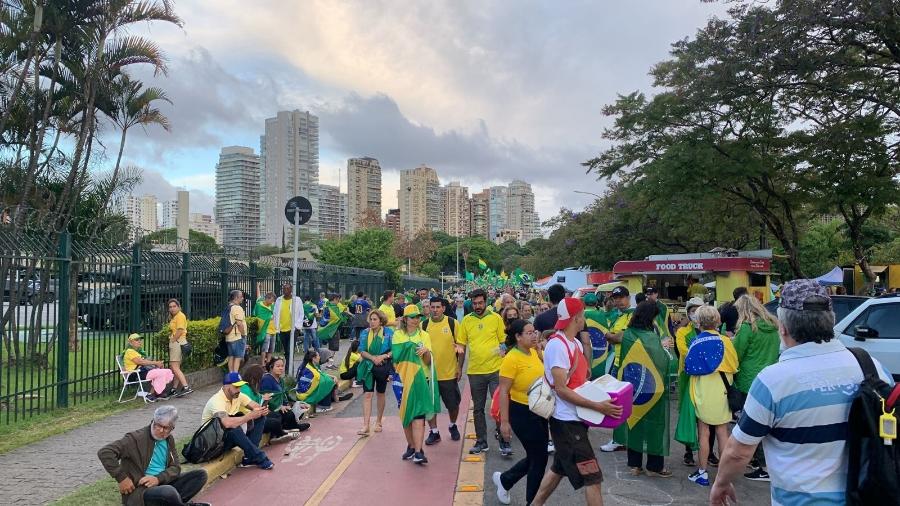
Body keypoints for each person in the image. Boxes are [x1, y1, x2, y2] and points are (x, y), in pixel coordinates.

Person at [710, 279, 895, 506]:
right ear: (831, 320)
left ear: (783, 327)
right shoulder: (872, 368)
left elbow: (739, 452)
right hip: (869, 496)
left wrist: (721, 483)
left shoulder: (773, 382)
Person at [531, 298, 623, 506]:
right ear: (576, 318)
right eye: (582, 315)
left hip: (574, 419)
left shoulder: (574, 344)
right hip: (566, 422)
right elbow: (562, 390)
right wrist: (598, 406)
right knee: (593, 478)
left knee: (559, 468)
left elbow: (577, 383)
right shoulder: (558, 346)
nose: (584, 319)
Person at [98, 406, 208, 506]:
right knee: (168, 492)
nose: (160, 430)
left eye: (165, 428)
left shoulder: (169, 440)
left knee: (200, 475)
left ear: (172, 428)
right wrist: (122, 478)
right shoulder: (135, 438)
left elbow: (176, 468)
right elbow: (105, 452)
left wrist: (158, 479)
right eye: (157, 425)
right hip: (140, 490)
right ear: (153, 421)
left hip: (162, 482)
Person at [613, 301, 673, 478]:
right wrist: (665, 348)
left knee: (634, 424)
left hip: (632, 388)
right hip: (653, 388)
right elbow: (663, 362)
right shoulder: (653, 338)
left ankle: (635, 465)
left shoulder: (629, 334)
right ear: (651, 317)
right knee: (656, 426)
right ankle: (655, 466)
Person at [493, 319, 547, 505]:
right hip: (521, 413)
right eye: (529, 332)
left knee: (536, 457)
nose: (534, 335)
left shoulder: (533, 352)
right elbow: (503, 393)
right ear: (517, 337)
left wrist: (540, 352)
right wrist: (505, 423)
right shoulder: (511, 359)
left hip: (540, 411)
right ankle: (532, 501)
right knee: (539, 460)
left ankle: (505, 480)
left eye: (535, 332)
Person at [683, 305, 738, 487]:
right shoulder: (727, 341)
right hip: (723, 390)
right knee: (723, 432)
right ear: (718, 321)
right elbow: (735, 365)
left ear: (697, 322)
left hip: (703, 391)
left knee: (704, 433)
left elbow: (688, 368)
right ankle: (723, 475)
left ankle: (702, 472)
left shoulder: (696, 342)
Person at [729, 294, 781, 481]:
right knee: (769, 424)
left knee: (752, 423)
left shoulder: (746, 328)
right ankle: (769, 463)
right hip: (771, 378)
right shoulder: (774, 326)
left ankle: (762, 466)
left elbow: (736, 355)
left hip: (748, 380)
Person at [458, 289, 511, 456]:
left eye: (480, 303)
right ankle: (481, 442)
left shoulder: (495, 318)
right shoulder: (466, 321)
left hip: (496, 370)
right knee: (478, 408)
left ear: (486, 302)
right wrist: (459, 367)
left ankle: (504, 441)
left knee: (498, 407)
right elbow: (461, 346)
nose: (478, 306)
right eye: (474, 303)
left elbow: (504, 341)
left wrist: (502, 352)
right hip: (475, 371)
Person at [393, 304, 441, 464]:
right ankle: (411, 446)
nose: (416, 319)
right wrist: (413, 347)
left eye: (418, 316)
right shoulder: (397, 335)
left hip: (422, 379)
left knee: (419, 414)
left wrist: (426, 352)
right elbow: (397, 356)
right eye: (412, 316)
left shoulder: (425, 335)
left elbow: (428, 362)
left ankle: (419, 451)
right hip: (403, 381)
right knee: (406, 414)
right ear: (405, 319)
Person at [201, 372, 274, 470]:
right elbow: (226, 423)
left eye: (240, 387)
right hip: (211, 444)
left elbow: (256, 407)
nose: (239, 390)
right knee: (233, 429)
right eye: (236, 387)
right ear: (226, 386)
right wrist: (248, 416)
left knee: (260, 418)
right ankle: (260, 458)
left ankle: (250, 457)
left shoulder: (238, 396)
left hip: (223, 437)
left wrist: (262, 410)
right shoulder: (217, 401)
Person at [422, 296, 463, 444]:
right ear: (428, 308)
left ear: (443, 308)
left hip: (449, 373)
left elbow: (460, 346)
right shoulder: (424, 325)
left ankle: (452, 425)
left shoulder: (452, 323)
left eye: (438, 307)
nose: (435, 310)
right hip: (429, 374)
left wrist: (459, 367)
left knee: (453, 405)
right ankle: (434, 432)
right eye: (432, 307)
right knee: (430, 406)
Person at [599, 286, 633, 453]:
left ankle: (621, 439)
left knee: (621, 403)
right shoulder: (618, 316)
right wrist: (612, 337)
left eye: (621, 297)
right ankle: (620, 438)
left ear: (628, 298)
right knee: (618, 402)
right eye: (615, 298)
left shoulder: (632, 315)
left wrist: (611, 336)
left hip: (628, 364)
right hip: (618, 363)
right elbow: (613, 337)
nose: (618, 301)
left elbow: (620, 337)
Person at [674, 297, 705, 467]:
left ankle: (707, 452)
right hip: (687, 375)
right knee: (688, 414)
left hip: (707, 377)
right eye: (693, 310)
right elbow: (684, 352)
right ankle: (688, 451)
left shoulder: (711, 331)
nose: (695, 314)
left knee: (706, 416)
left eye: (699, 310)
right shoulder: (682, 332)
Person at [357, 309, 394, 435]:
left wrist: (383, 357)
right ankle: (365, 425)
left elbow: (394, 350)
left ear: (381, 321)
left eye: (375, 319)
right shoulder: (364, 333)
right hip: (368, 366)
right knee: (367, 395)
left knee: (380, 393)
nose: (372, 322)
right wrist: (373, 358)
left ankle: (378, 421)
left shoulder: (389, 333)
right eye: (371, 319)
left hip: (382, 367)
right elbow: (361, 350)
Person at [238, 364, 298, 441]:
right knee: (274, 422)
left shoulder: (252, 387)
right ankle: (279, 434)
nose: (261, 381)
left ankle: (278, 433)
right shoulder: (245, 388)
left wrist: (265, 400)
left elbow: (260, 403)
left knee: (277, 416)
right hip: (249, 418)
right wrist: (264, 401)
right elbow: (253, 406)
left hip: (256, 415)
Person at [260, 356, 311, 434]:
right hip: (271, 410)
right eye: (278, 366)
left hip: (283, 407)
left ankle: (291, 425)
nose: (281, 368)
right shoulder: (266, 380)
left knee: (296, 410)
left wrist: (296, 403)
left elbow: (286, 394)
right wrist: (279, 407)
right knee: (287, 414)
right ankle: (290, 427)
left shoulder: (280, 380)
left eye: (282, 366)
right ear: (271, 367)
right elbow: (266, 399)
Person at [296, 349, 352, 414]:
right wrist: (332, 380)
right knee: (328, 382)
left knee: (328, 380)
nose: (320, 357)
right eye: (318, 356)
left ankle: (334, 398)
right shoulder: (311, 370)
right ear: (313, 358)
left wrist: (333, 376)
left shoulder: (308, 365)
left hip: (301, 393)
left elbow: (320, 373)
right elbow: (322, 378)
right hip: (306, 397)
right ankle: (323, 406)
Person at [122, 334, 174, 402]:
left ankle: (156, 393)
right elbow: (141, 362)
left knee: (168, 372)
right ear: (131, 342)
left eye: (140, 340)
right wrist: (155, 363)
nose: (139, 341)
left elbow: (143, 362)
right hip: (135, 374)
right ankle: (153, 394)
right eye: (137, 340)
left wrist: (157, 364)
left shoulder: (137, 351)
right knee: (163, 372)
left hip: (142, 371)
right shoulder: (129, 351)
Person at [163, 299, 192, 398]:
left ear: (179, 307)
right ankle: (174, 388)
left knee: (174, 366)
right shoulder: (176, 316)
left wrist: (173, 340)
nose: (172, 308)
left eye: (174, 306)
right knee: (176, 367)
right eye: (170, 307)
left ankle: (186, 387)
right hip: (179, 342)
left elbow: (180, 330)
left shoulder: (180, 316)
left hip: (177, 343)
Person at [273, 283, 305, 358]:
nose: (285, 290)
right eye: (284, 289)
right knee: (286, 351)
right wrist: (276, 326)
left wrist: (297, 326)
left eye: (287, 288)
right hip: (282, 329)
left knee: (290, 350)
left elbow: (301, 314)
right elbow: (275, 313)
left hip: (293, 329)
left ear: (291, 290)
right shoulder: (279, 300)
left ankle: (289, 368)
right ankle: (288, 367)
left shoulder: (297, 300)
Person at [224, 290, 247, 373]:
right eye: (241, 297)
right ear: (236, 297)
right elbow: (239, 323)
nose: (243, 298)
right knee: (238, 357)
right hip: (237, 336)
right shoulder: (237, 308)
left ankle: (231, 374)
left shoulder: (228, 307)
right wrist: (243, 334)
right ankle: (235, 376)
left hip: (229, 336)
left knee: (231, 356)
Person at [253, 292, 277, 365]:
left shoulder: (272, 305)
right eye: (271, 300)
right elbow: (257, 315)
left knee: (271, 348)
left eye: (273, 301)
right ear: (267, 298)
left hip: (273, 329)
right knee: (265, 347)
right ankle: (263, 363)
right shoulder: (259, 305)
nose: (272, 302)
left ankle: (268, 363)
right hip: (265, 329)